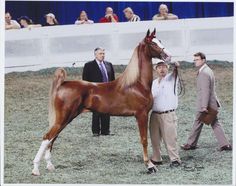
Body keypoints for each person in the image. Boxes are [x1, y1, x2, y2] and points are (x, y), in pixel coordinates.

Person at [181, 52, 232, 151]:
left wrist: (204, 106)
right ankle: (224, 144)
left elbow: (205, 91)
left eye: (197, 60)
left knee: (199, 121)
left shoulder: (204, 73)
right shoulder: (208, 70)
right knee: (213, 122)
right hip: (211, 102)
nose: (195, 62)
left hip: (206, 104)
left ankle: (190, 144)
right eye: (194, 60)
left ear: (203, 60)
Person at [149, 60, 181, 168]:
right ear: (156, 69)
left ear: (167, 68)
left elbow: (176, 71)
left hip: (168, 114)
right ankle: (157, 158)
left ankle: (175, 159)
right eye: (159, 67)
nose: (162, 69)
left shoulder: (172, 79)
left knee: (170, 138)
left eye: (164, 67)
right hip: (154, 114)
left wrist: (175, 65)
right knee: (155, 138)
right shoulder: (153, 83)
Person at [82, 47, 115, 136]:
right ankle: (96, 132)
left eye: (103, 53)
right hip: (95, 94)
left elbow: (112, 80)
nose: (102, 55)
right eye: (100, 54)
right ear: (95, 55)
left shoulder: (109, 65)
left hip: (107, 93)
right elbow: (85, 81)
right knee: (96, 112)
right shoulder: (89, 66)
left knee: (106, 111)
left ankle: (105, 131)